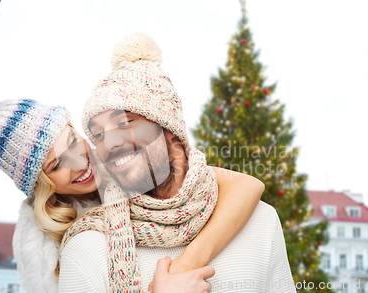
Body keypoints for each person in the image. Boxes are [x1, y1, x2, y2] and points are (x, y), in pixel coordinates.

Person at [57, 33, 296, 293]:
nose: (109, 143)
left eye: (124, 122)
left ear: (170, 132)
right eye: (99, 134)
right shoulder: (86, 246)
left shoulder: (260, 220)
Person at [0, 97, 264, 293]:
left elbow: (247, 186)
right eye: (57, 164)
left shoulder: (123, 161)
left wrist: (185, 265)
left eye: (73, 141)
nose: (79, 162)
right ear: (39, 184)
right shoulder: (43, 251)